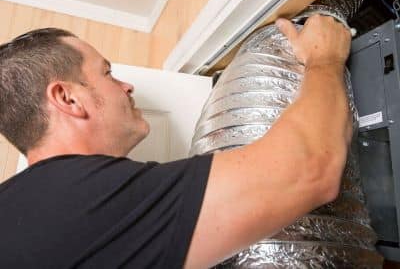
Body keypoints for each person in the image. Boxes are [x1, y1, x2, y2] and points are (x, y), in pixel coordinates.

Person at [0, 15, 352, 269]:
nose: (127, 86)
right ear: (68, 98)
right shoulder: (87, 198)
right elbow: (310, 167)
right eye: (107, 73)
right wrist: (325, 58)